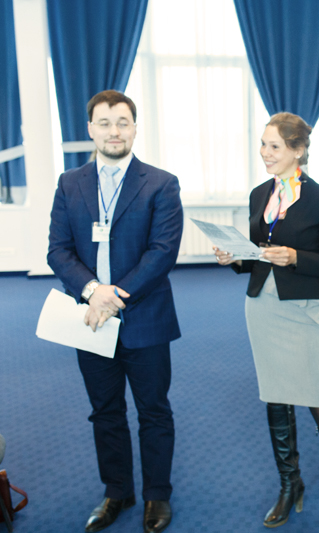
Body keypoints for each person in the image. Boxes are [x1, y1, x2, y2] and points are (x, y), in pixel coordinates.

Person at [214, 112, 319, 532]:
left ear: (298, 150)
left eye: (274, 146)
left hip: (303, 310)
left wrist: (297, 257)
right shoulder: (258, 194)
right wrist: (233, 257)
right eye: (263, 145)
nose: (265, 153)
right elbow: (255, 255)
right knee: (276, 396)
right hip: (262, 307)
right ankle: (290, 484)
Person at [47, 90, 182, 533]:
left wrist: (113, 296)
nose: (114, 131)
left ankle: (157, 495)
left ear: (135, 128)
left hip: (145, 317)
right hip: (90, 321)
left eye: (123, 122)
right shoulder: (70, 183)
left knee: (153, 411)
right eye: (104, 123)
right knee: (104, 411)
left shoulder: (161, 183)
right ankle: (117, 490)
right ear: (90, 129)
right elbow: (58, 250)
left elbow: (162, 253)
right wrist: (92, 292)